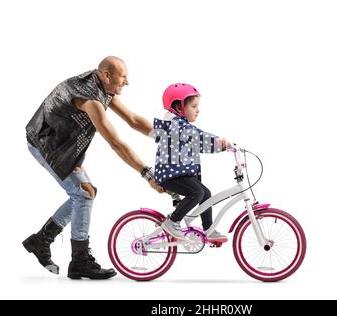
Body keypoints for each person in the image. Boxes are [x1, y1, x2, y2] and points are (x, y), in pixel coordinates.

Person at [23, 56, 163, 280]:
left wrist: (165, 135)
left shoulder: (102, 86)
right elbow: (116, 144)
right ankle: (79, 262)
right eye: (123, 77)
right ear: (107, 75)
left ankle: (41, 240)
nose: (127, 82)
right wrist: (147, 174)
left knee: (84, 193)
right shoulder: (90, 98)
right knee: (84, 194)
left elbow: (134, 120)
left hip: (60, 143)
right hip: (45, 144)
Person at [151, 83, 229, 242]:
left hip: (180, 174)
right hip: (171, 176)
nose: (197, 110)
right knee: (197, 193)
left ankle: (208, 229)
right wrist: (219, 141)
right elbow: (198, 135)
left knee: (205, 194)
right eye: (194, 106)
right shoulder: (175, 125)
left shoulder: (182, 127)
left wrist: (222, 147)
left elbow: (201, 144)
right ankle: (172, 222)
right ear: (179, 106)